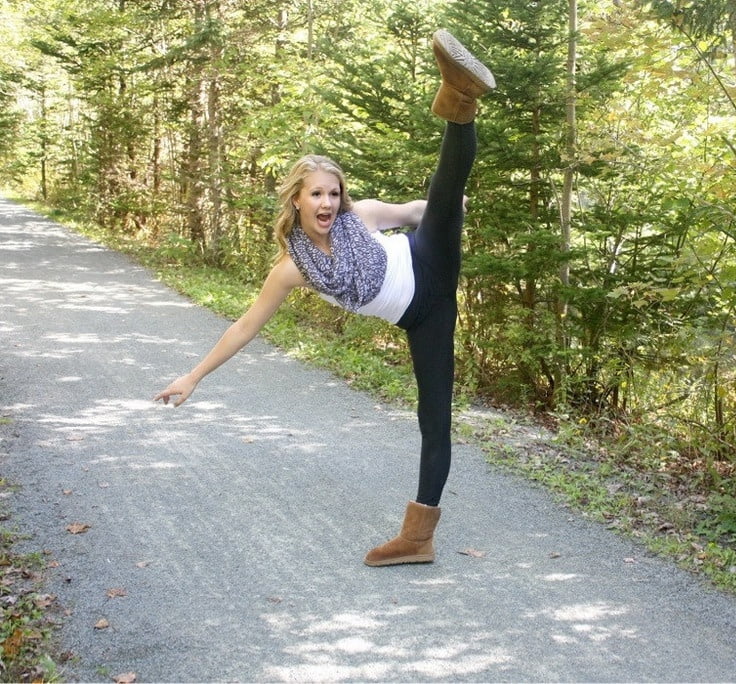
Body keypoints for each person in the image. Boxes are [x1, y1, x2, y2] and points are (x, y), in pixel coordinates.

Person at [154, 29, 495, 567]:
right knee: (435, 419)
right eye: (318, 192)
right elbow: (244, 327)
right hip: (425, 316)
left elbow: (413, 210)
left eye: (334, 192)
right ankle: (418, 538)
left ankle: (460, 98)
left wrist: (451, 206)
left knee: (444, 193)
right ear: (297, 198)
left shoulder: (359, 218)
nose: (329, 201)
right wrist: (192, 377)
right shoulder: (291, 270)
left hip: (428, 255)